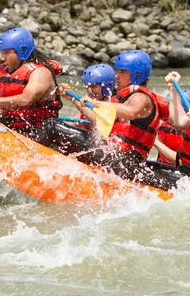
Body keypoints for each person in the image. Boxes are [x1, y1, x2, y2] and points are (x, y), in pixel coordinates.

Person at [33, 50, 180, 191]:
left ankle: (26, 159)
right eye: (117, 71)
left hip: (122, 161)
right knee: (60, 143)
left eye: (122, 72)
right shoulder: (124, 98)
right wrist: (74, 99)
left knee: (51, 126)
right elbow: (100, 122)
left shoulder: (141, 97)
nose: (117, 76)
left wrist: (97, 103)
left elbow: (132, 112)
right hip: (117, 158)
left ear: (137, 75)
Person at [0, 27, 63, 136]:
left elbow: (26, 100)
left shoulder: (40, 73)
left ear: (22, 51)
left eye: (6, 53)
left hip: (37, 135)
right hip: (10, 127)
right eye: (2, 53)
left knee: (51, 125)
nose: (2, 58)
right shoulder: (8, 71)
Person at [61, 63, 116, 130]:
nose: (89, 90)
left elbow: (97, 121)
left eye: (93, 86)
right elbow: (76, 123)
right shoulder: (88, 99)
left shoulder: (115, 102)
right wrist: (61, 125)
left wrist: (74, 99)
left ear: (107, 86)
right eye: (87, 86)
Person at [154, 90, 190, 166]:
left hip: (179, 173)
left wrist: (154, 141)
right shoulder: (163, 123)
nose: (165, 109)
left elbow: (181, 162)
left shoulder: (189, 133)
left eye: (169, 106)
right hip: (162, 167)